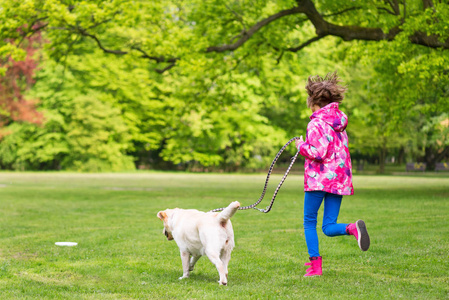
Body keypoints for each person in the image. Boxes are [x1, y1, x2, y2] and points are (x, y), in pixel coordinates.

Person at [295, 71, 370, 277]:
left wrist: (301, 145)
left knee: (309, 221)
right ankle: (352, 228)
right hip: (339, 180)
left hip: (319, 180)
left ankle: (315, 267)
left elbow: (317, 152)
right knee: (328, 226)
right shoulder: (340, 124)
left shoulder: (316, 123)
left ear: (313, 101)